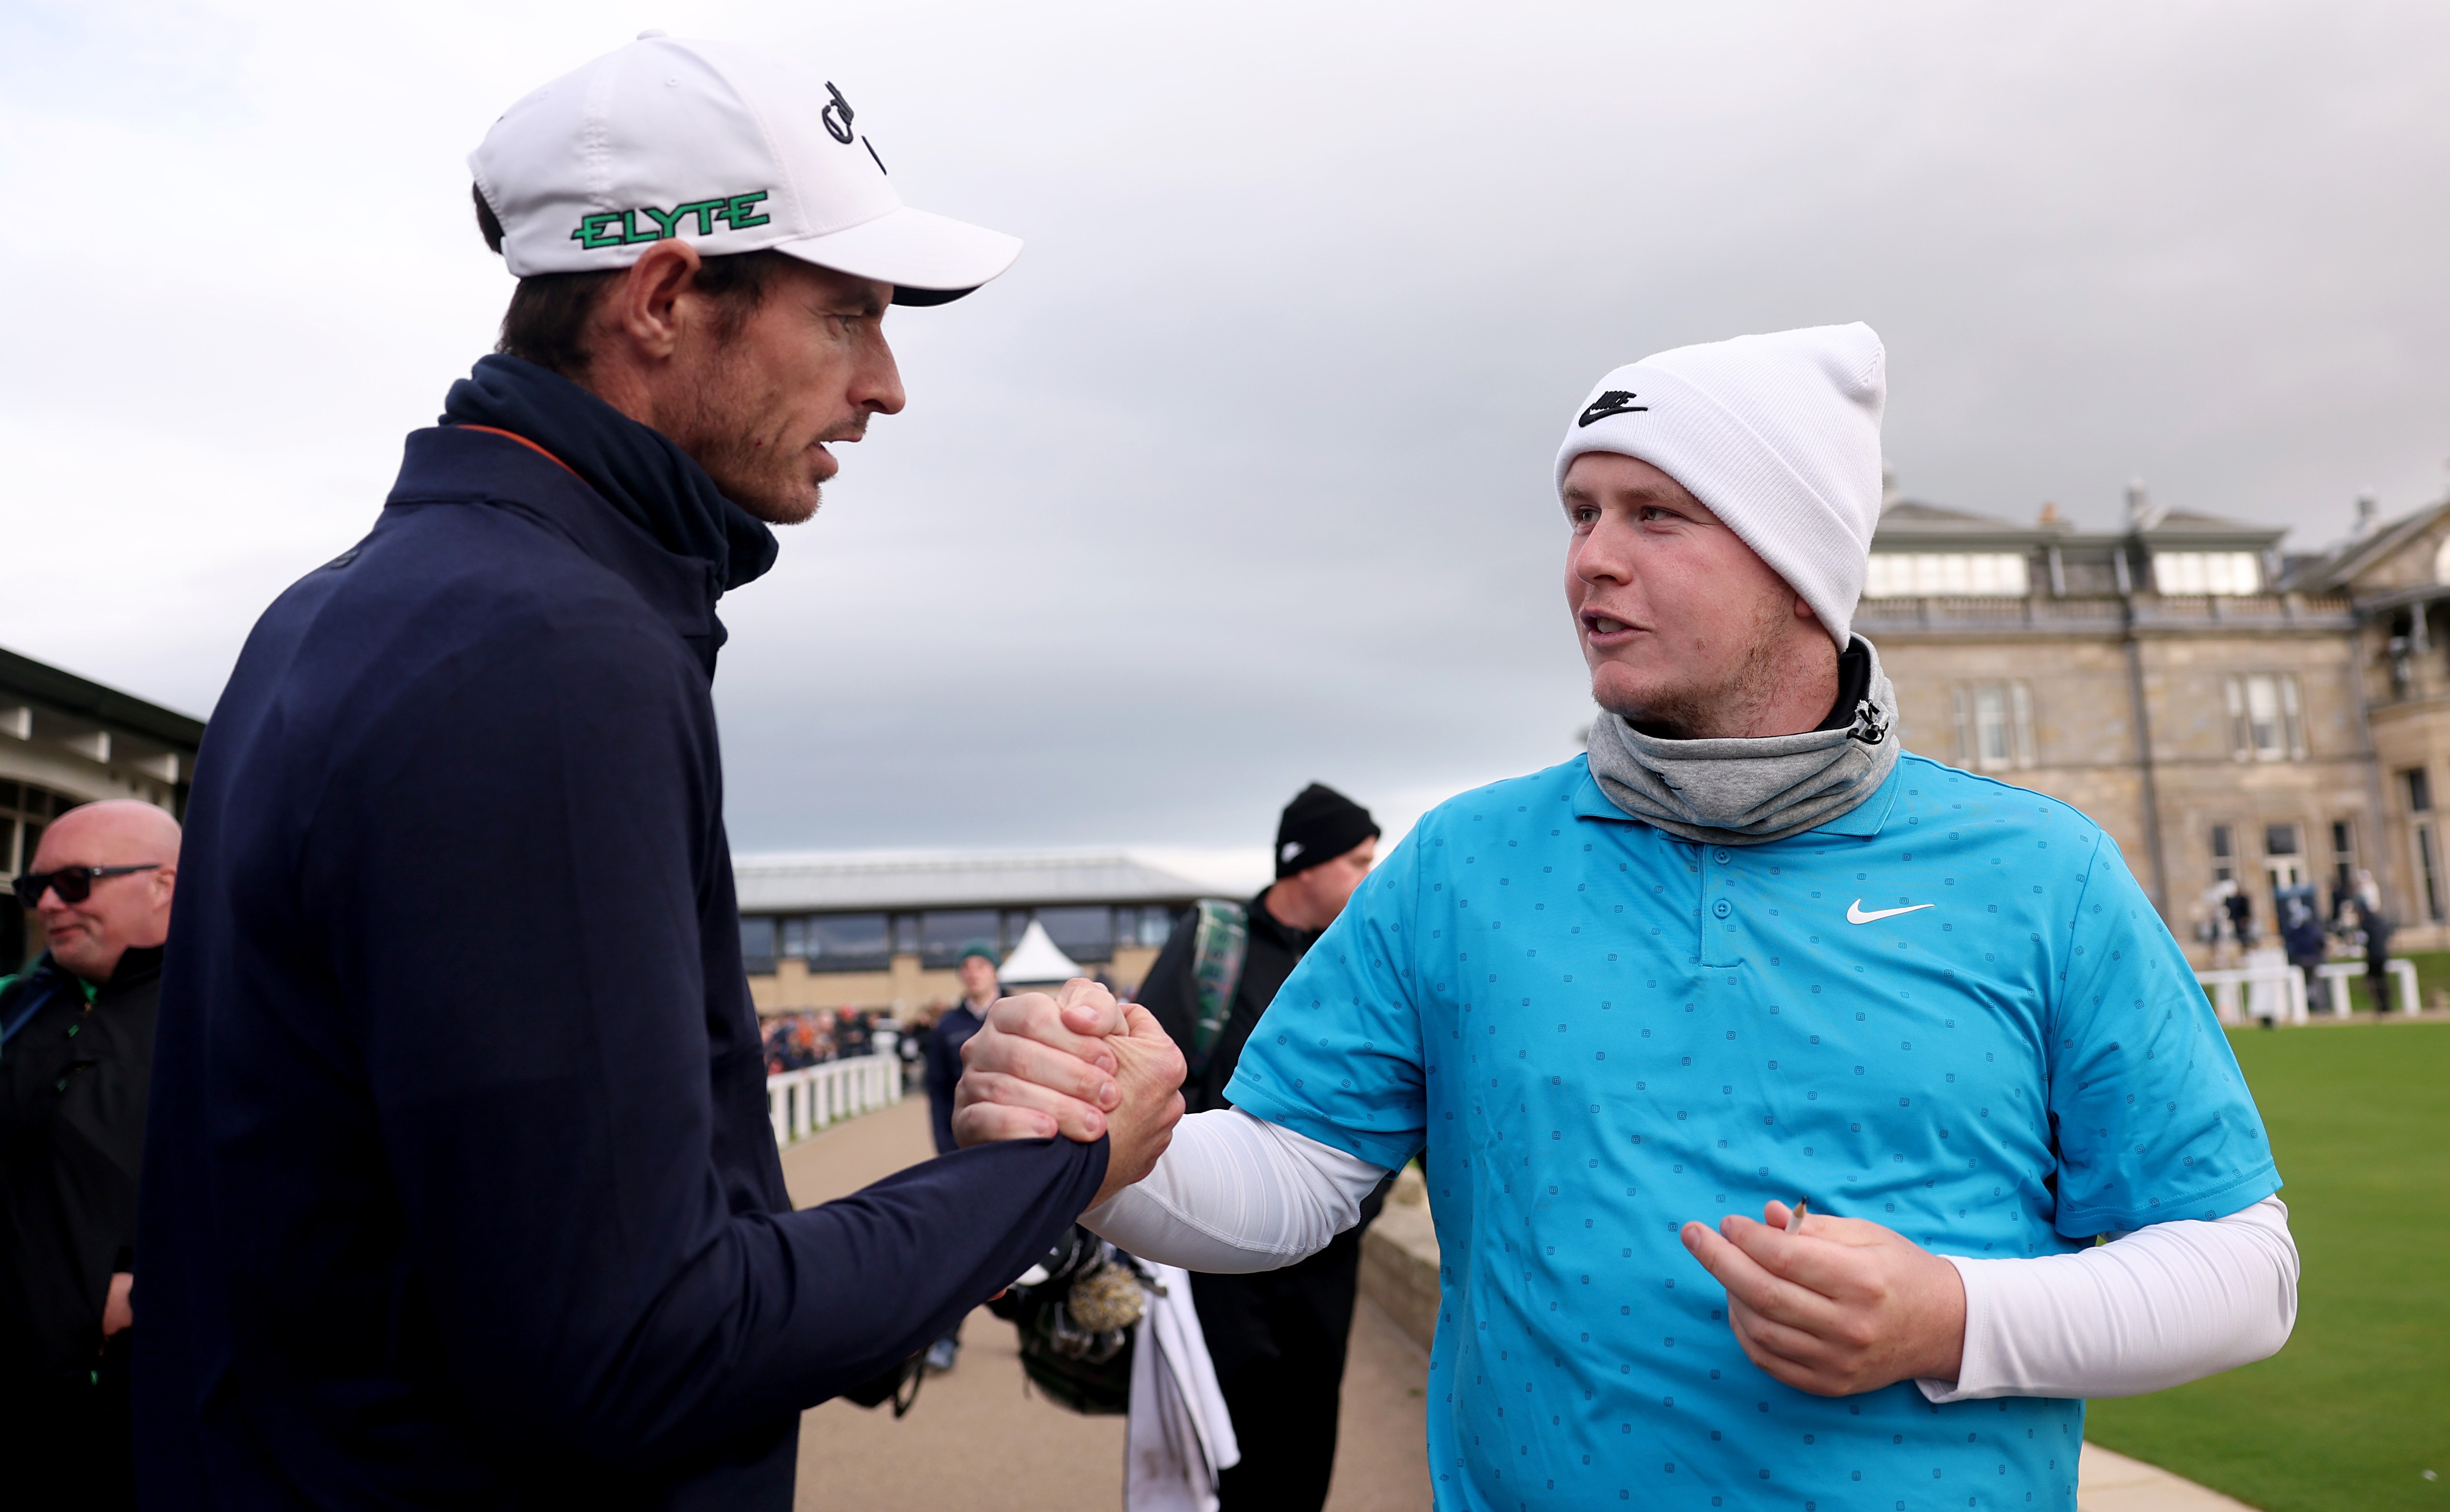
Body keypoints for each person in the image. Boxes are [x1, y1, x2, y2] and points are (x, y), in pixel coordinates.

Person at [957, 326, 2301, 1510]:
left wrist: (1953, 1316)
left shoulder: (2039, 870)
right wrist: (1112, 1141)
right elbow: (1295, 1179)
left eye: (1656, 515)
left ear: (1796, 565)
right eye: (1579, 511)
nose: (1589, 560)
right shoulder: (1459, 865)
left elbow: (2243, 1270)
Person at [135, 36, 1178, 1507]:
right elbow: (626, 1348)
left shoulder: (349, 610)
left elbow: (454, 1258)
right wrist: (1049, 1173)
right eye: (846, 316)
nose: (884, 386)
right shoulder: (545, 650)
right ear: (667, 297)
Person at [1133, 782, 1382, 1512]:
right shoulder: (1215, 943)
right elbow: (1147, 1072)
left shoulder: (1362, 952)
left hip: (1329, 1254)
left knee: (1309, 1434)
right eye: (1358, 861)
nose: (1372, 876)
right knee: (1229, 1436)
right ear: (1302, 863)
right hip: (1221, 1250)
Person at [0, 800, 180, 1512]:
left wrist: (161, 1292)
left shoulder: (235, 1011)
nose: (47, 903)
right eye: (33, 886)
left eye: (76, 882)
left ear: (165, 884)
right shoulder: (17, 1005)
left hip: (140, 1415)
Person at [920, 941, 1004, 1372]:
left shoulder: (1019, 1013)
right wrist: (942, 1139)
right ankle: (946, 1339)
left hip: (1020, 1147)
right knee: (961, 1245)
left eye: (981, 965)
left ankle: (1055, 1333)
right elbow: (936, 1089)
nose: (973, 973)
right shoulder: (946, 1027)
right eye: (966, 966)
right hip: (964, 1151)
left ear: (994, 970)